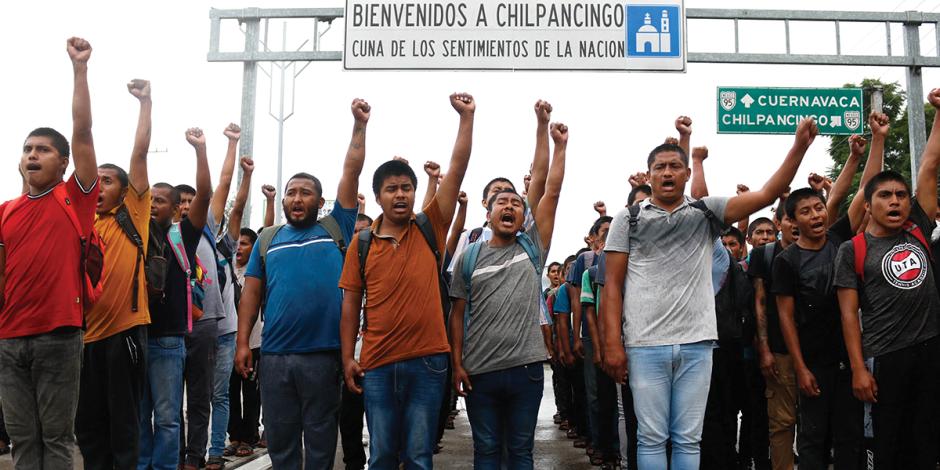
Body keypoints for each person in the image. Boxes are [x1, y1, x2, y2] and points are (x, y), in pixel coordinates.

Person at [601, 118, 819, 470]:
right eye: (660, 167)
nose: (667, 173)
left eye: (675, 166)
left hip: (698, 344)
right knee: (651, 437)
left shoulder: (705, 213)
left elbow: (764, 194)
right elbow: (612, 284)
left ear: (687, 174)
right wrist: (613, 344)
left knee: (689, 437)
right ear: (649, 175)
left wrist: (799, 148)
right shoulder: (629, 219)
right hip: (644, 345)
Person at [339, 93, 475, 470]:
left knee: (418, 456)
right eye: (391, 189)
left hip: (429, 361)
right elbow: (350, 303)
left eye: (406, 188)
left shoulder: (429, 225)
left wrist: (466, 119)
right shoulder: (361, 244)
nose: (400, 194)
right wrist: (348, 356)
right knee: (381, 455)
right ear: (379, 197)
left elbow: (458, 166)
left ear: (415, 194)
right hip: (378, 364)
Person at [234, 99, 368, 469]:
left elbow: (351, 172)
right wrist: (244, 342)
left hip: (324, 357)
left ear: (320, 201)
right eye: (291, 192)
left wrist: (359, 126)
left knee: (322, 442)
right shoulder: (267, 238)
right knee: (281, 441)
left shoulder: (335, 228)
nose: (296, 198)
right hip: (275, 357)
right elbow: (251, 294)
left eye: (305, 192)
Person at [449, 110, 567, 469]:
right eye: (502, 201)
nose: (510, 205)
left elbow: (551, 188)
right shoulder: (469, 256)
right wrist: (457, 364)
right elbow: (456, 316)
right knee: (485, 452)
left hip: (526, 371)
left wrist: (553, 139)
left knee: (520, 452)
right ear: (488, 213)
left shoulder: (532, 249)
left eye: (516, 202)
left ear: (523, 215)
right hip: (480, 371)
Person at [0, 37, 98, 470]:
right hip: (9, 339)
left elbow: (82, 132)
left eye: (42, 149)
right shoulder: (6, 212)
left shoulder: (74, 200)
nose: (32, 155)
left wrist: (79, 70)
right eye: (27, 150)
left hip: (60, 336)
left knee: (56, 439)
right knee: (22, 440)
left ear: (63, 164)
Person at [834, 88, 940, 470]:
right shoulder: (853, 249)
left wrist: (938, 113)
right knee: (887, 447)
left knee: (927, 444)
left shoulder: (919, 230)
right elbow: (849, 316)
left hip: (930, 352)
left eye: (900, 195)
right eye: (885, 196)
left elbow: (928, 167)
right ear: (869, 204)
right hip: (884, 358)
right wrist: (860, 368)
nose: (895, 201)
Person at [76, 78, 153, 470]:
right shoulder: (82, 221)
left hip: (124, 334)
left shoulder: (133, 215)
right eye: (97, 180)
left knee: (124, 427)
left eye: (108, 180)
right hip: (84, 340)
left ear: (126, 191)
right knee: (89, 428)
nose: (99, 185)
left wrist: (145, 103)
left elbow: (139, 153)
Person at [138, 128, 213, 470]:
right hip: (134, 337)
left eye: (160, 200)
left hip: (167, 340)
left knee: (167, 418)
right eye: (148, 199)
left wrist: (200, 150)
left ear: (174, 208)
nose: (152, 205)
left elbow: (206, 194)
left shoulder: (182, 234)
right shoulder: (133, 234)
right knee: (139, 416)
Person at [205, 124, 245, 470]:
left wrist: (231, 145)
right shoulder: (174, 242)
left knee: (219, 395)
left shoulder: (223, 246)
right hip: (188, 333)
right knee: (189, 400)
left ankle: (215, 452)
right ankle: (187, 454)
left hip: (224, 335)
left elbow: (228, 193)